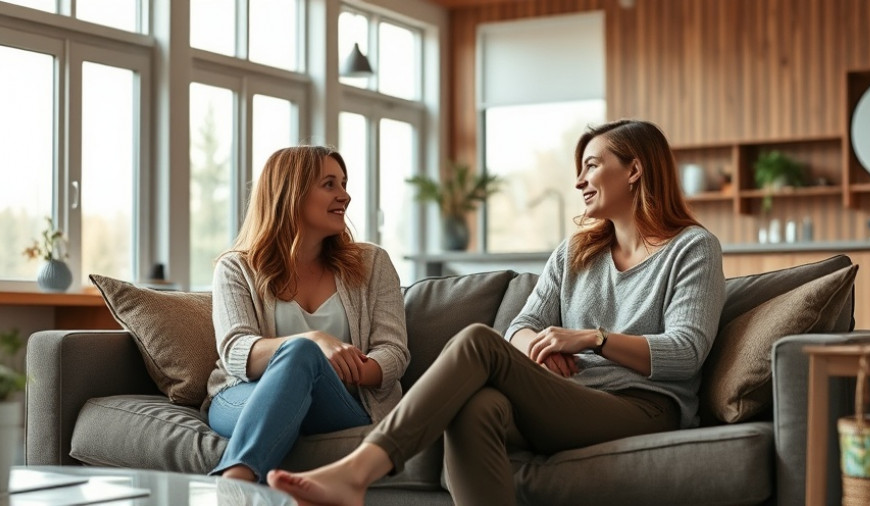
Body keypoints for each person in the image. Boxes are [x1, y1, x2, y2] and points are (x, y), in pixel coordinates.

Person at [266, 119, 726, 505]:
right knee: (476, 407)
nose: (579, 181)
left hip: (643, 406)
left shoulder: (692, 248)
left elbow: (686, 351)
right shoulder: (576, 253)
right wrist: (541, 347)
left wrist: (590, 338)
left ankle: (360, 470)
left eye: (591, 165)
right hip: (567, 397)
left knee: (476, 340)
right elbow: (521, 329)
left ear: (635, 170)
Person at [205, 145, 410, 483]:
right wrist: (313, 341)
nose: (345, 196)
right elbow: (235, 350)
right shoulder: (236, 267)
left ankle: (232, 486)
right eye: (329, 184)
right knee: (302, 350)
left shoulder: (372, 263)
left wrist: (341, 367)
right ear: (291, 193)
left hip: (339, 404)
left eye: (344, 184)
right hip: (244, 394)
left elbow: (394, 353)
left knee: (304, 354)